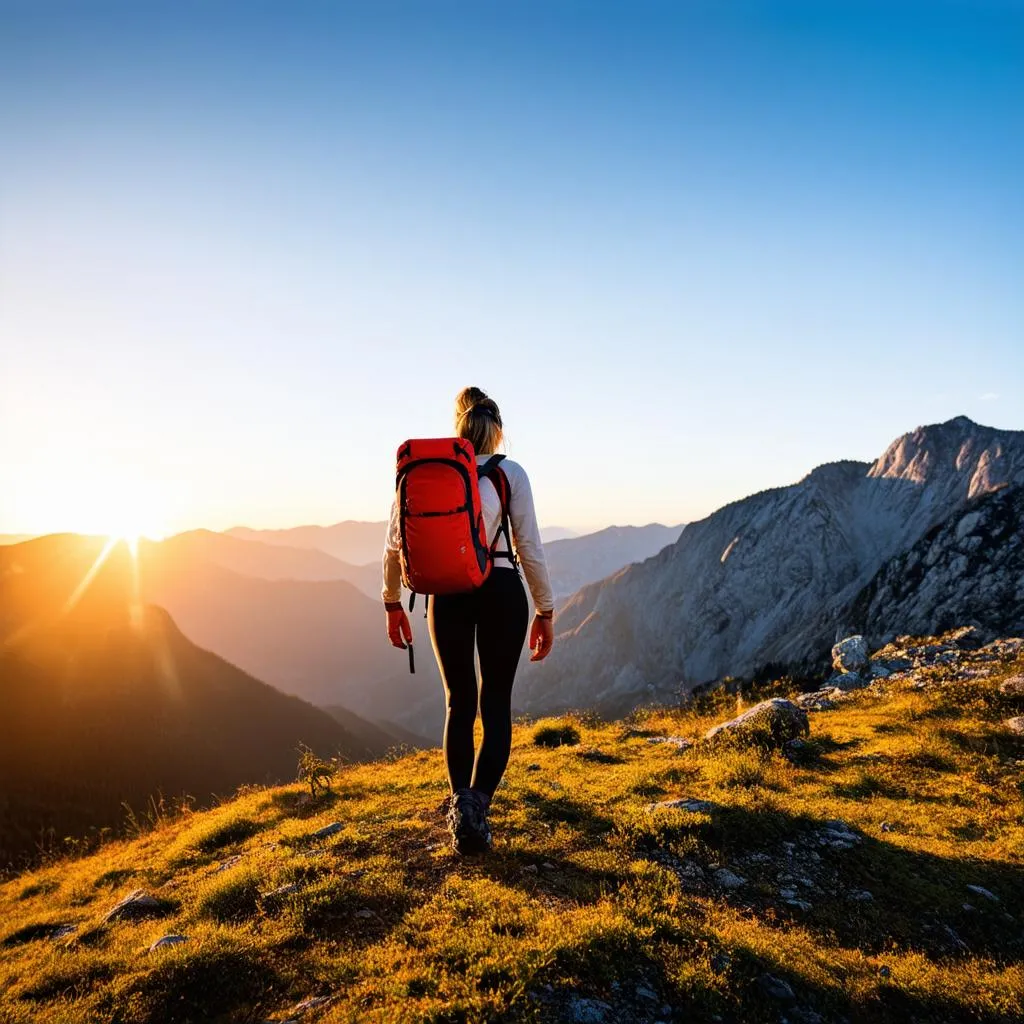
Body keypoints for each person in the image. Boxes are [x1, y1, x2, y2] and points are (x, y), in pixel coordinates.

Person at [381, 386, 555, 854]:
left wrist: (392, 603)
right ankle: (477, 806)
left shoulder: (426, 474)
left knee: (459, 703)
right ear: (496, 431)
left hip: (446, 597)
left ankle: (460, 806)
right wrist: (546, 609)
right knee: (495, 703)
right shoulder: (509, 473)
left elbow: (394, 546)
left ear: (459, 430)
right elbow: (530, 549)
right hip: (500, 592)